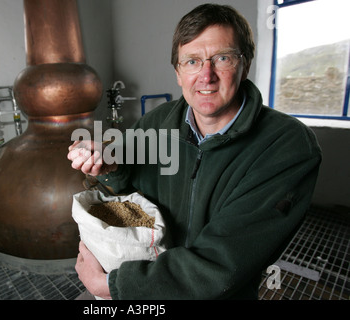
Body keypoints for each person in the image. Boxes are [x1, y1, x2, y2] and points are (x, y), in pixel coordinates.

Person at [67, 3, 321, 300]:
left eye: (222, 58)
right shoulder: (157, 122)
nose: (206, 75)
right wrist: (111, 166)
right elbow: (128, 190)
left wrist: (110, 286)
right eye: (192, 61)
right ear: (178, 72)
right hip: (147, 287)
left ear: (245, 65)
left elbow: (221, 264)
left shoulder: (285, 145)